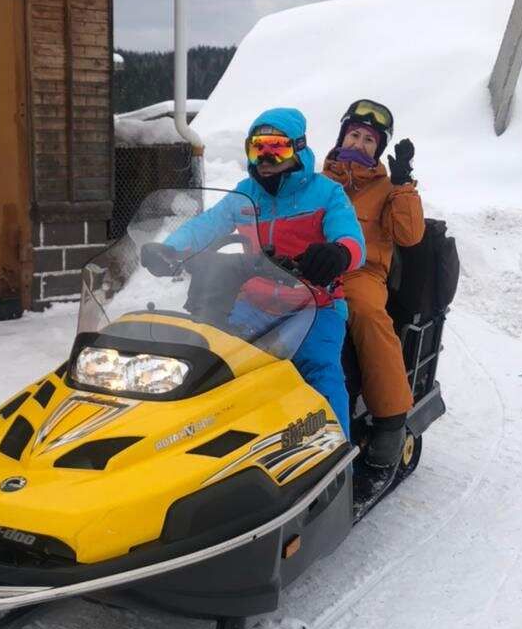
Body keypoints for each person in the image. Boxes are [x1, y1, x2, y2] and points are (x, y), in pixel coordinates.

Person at [140, 106, 364, 437]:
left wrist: (339, 252)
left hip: (315, 304)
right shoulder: (245, 194)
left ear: (298, 149)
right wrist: (171, 249)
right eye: (258, 149)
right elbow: (207, 225)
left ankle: (338, 451)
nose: (266, 159)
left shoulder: (326, 193)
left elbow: (351, 237)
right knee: (215, 362)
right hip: (256, 302)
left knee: (321, 370)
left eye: (277, 148)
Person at [322, 99, 425, 481]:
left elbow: (410, 235)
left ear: (378, 149)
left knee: (367, 314)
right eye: (354, 134)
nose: (360, 143)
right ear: (342, 137)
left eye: (369, 140)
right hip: (313, 268)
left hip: (361, 274)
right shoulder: (319, 180)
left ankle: (390, 419)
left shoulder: (388, 187)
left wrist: (403, 185)